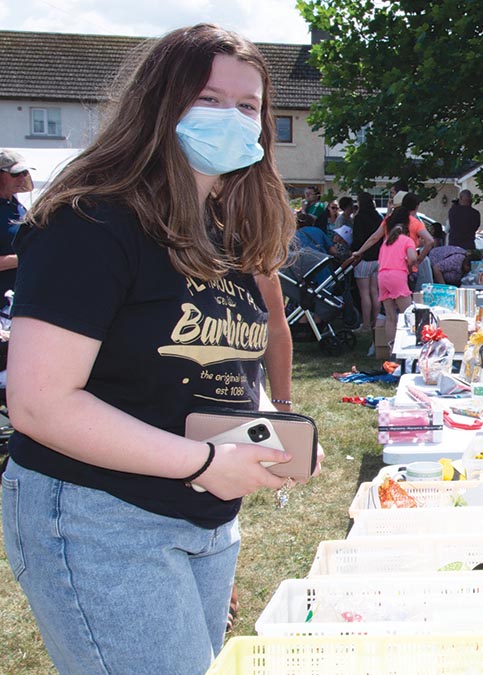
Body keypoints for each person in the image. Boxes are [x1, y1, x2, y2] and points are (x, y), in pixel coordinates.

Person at [2, 24, 302, 674]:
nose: (231, 118)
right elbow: (39, 403)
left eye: (247, 106)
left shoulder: (229, 236)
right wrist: (204, 461)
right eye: (209, 98)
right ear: (160, 102)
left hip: (204, 515)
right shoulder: (91, 222)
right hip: (101, 513)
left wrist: (269, 432)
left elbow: (219, 371)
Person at [377, 199, 421, 354]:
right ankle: (408, 350)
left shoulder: (386, 242)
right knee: (408, 314)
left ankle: (391, 351)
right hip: (397, 275)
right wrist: (409, 265)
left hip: (382, 276)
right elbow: (413, 258)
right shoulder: (407, 240)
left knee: (390, 316)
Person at [0, 149, 33, 303]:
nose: (21, 178)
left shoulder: (16, 206)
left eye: (24, 173)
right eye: (15, 174)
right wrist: (26, 257)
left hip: (19, 299)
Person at [349, 191, 383, 332]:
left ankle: (366, 324)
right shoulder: (378, 217)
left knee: (364, 293)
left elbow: (358, 239)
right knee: (375, 292)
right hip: (377, 258)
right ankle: (376, 322)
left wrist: (354, 251)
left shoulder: (359, 218)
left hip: (363, 258)